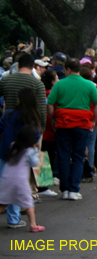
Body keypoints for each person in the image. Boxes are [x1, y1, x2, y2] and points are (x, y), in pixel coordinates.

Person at [47, 58, 97, 201]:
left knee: (63, 155)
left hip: (63, 123)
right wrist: (92, 121)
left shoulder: (60, 84)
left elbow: (50, 103)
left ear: (68, 69)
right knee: (78, 156)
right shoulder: (89, 85)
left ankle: (64, 188)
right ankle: (73, 189)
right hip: (82, 123)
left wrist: (54, 118)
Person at [0, 87, 43, 228]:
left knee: (5, 187)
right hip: (23, 158)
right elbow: (36, 136)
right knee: (17, 188)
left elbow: (1, 128)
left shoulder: (8, 114)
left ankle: (12, 217)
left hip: (5, 152)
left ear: (19, 99)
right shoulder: (33, 118)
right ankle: (14, 218)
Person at [0, 125, 44, 232]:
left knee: (3, 203)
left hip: (5, 179)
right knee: (28, 203)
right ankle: (33, 225)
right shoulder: (30, 151)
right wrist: (36, 151)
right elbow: (34, 163)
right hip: (20, 182)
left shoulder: (12, 145)